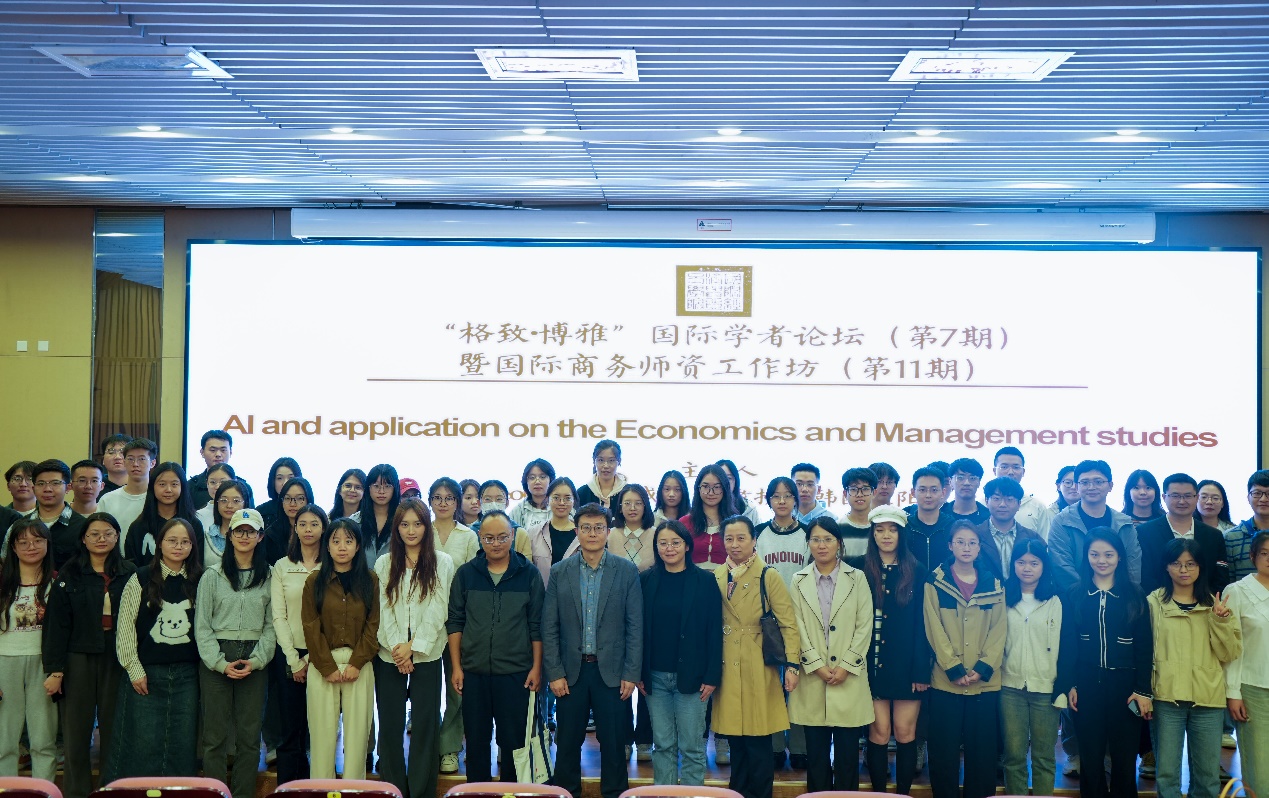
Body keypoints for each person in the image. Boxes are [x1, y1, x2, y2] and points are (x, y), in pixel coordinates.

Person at [544, 503, 643, 798]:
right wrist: (554, 672)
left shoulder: (626, 571)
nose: (592, 533)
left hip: (612, 672)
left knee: (613, 743)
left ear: (608, 532)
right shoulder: (560, 571)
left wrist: (631, 673)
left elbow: (635, 626)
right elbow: (549, 626)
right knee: (567, 743)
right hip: (570, 672)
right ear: (577, 531)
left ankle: (614, 793)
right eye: (586, 528)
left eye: (598, 527)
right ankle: (566, 793)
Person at [42, 511, 136, 798]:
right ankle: (76, 792)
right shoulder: (69, 573)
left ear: (117, 536)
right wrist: (55, 670)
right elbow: (57, 625)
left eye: (108, 533)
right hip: (77, 657)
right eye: (94, 534)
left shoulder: (130, 572)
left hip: (117, 656)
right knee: (76, 733)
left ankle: (111, 791)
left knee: (114, 730)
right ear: (83, 539)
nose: (101, 539)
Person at [447, 510, 544, 783]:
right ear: (480, 538)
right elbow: (455, 622)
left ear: (512, 535)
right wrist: (457, 667)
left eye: (502, 537)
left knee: (513, 743)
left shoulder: (529, 574)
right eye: (489, 538)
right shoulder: (466, 574)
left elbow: (536, 624)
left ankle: (511, 791)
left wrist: (537, 667)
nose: (496, 543)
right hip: (474, 672)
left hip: (516, 673)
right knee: (476, 742)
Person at [106, 517, 204, 779]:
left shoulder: (201, 579)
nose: (178, 546)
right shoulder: (140, 577)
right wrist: (134, 668)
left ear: (193, 546)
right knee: (143, 744)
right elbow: (125, 625)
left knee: (182, 745)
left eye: (185, 542)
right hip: (147, 673)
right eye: (172, 540)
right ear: (160, 543)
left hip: (188, 674)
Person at [1057, 529, 1153, 798]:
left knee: (1124, 758)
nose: (1102, 560)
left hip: (1126, 688)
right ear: (1086, 556)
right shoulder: (1075, 594)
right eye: (1095, 554)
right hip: (1087, 686)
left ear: (1119, 557)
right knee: (1090, 757)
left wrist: (1143, 690)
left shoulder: (1135, 594)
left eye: (1109, 554)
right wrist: (1070, 684)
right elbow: (1068, 646)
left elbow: (1145, 647)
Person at [712, 515, 800, 798]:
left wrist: (792, 665)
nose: (735, 544)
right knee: (736, 745)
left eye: (741, 538)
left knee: (759, 743)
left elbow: (788, 624)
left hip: (759, 663)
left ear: (753, 540)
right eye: (729, 538)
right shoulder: (716, 576)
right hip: (726, 664)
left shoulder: (767, 575)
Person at [1149, 538, 1241, 798]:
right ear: (1166, 567)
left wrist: (1220, 621)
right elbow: (1143, 651)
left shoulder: (1216, 605)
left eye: (1190, 563)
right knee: (1167, 775)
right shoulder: (1153, 602)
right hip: (1166, 697)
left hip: (1207, 698)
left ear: (1201, 567)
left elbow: (1230, 653)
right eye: (1176, 563)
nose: (1183, 570)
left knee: (1207, 777)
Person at [374, 499, 454, 798]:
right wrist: (398, 648)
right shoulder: (384, 563)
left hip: (428, 653)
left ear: (426, 526)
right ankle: (393, 789)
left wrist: (414, 647)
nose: (411, 530)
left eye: (417, 524)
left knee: (425, 725)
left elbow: (439, 608)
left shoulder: (442, 561)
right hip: (389, 655)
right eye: (404, 524)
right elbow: (382, 609)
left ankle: (421, 791)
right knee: (390, 724)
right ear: (396, 528)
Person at [788, 516, 874, 792]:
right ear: (808, 543)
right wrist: (816, 665)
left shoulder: (857, 578)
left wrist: (847, 665)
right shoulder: (798, 580)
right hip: (813, 677)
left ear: (839, 543)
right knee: (816, 758)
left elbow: (865, 625)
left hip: (849, 677)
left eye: (828, 539)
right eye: (815, 539)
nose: (822, 545)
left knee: (848, 759)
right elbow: (796, 627)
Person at [195, 508, 275, 798]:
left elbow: (272, 625)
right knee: (214, 736)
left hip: (254, 656)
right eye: (239, 531)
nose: (244, 536)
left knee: (249, 738)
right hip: (217, 655)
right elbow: (202, 626)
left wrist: (257, 659)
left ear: (260, 537)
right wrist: (218, 662)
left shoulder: (270, 575)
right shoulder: (212, 576)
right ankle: (215, 794)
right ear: (229, 536)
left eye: (250, 531)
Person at [924, 520, 1006, 798]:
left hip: (984, 683)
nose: (966, 547)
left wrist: (982, 668)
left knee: (982, 754)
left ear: (979, 547)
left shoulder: (994, 584)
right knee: (943, 752)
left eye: (972, 542)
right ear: (950, 546)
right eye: (960, 542)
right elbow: (933, 628)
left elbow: (999, 630)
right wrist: (953, 668)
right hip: (946, 681)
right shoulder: (935, 581)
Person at [638, 519, 722, 786]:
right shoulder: (646, 580)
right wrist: (638, 672)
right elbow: (637, 630)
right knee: (662, 745)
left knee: (692, 748)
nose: (669, 548)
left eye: (675, 542)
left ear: (687, 546)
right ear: (656, 547)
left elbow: (714, 630)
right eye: (663, 543)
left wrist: (712, 675)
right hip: (655, 677)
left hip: (693, 678)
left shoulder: (705, 581)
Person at [853, 505, 930, 795]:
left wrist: (921, 670)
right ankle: (879, 793)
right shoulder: (859, 568)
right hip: (871, 665)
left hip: (907, 666)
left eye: (893, 529)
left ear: (902, 534)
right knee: (879, 732)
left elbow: (923, 624)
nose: (886, 535)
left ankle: (903, 794)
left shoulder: (917, 570)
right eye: (880, 530)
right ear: (872, 534)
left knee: (905, 732)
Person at [302, 517, 379, 780]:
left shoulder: (370, 580)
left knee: (357, 739)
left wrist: (357, 663)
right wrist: (327, 667)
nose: (342, 547)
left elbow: (374, 625)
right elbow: (310, 626)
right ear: (328, 545)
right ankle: (321, 788)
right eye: (336, 541)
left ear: (358, 546)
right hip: (323, 664)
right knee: (322, 738)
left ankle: (353, 789)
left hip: (360, 664)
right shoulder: (314, 581)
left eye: (348, 541)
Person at [1000, 538, 1064, 797]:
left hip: (1046, 689)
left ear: (1043, 565)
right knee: (1013, 756)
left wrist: (1062, 686)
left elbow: (1066, 648)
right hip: (1009, 688)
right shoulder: (1003, 597)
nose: (1027, 568)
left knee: (1043, 757)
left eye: (1034, 563)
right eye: (1021, 562)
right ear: (1013, 564)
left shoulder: (1056, 600)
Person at [754, 476, 809, 769]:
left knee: (799, 684)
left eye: (788, 495)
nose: (782, 501)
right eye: (776, 496)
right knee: (772, 686)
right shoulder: (759, 534)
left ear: (796, 500)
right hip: (768, 622)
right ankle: (775, 746)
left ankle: (799, 747)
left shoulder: (809, 534)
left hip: (801, 619)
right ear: (769, 501)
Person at [270, 504, 325, 784]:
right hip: (289, 654)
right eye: (302, 524)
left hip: (324, 655)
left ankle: (316, 786)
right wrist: (294, 660)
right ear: (295, 528)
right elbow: (278, 616)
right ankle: (288, 788)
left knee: (319, 728)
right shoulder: (282, 566)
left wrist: (313, 658)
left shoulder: (331, 566)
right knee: (290, 729)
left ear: (324, 528)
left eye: (314, 524)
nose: (308, 529)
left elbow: (333, 618)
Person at [427, 476, 479, 773]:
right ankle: (427, 745)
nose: (443, 503)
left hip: (459, 620)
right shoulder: (422, 530)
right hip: (424, 621)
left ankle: (449, 748)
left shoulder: (469, 536)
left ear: (457, 502)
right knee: (427, 689)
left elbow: (472, 579)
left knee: (457, 686)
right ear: (430, 501)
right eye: (438, 497)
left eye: (449, 498)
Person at [0, 519, 56, 781]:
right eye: (23, 542)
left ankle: (45, 791)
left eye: (37, 541)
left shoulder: (58, 582)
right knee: (4, 737)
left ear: (47, 544)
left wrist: (58, 670)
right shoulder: (2, 583)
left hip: (44, 664)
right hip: (5, 662)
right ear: (13, 547)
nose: (31, 547)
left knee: (43, 737)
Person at [612, 483, 656, 761]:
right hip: (616, 614)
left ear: (646, 506)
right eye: (627, 503)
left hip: (650, 612)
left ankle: (645, 739)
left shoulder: (656, 533)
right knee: (622, 678)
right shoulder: (610, 535)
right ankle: (625, 737)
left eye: (638, 503)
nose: (632, 508)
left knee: (647, 677)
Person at [1049, 460, 1142, 588]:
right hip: (1076, 596)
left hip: (1120, 595)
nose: (1091, 487)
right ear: (1077, 486)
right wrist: (1090, 595)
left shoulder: (1124, 523)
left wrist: (1123, 593)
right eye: (1085, 482)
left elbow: (1133, 565)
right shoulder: (1062, 521)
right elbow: (1062, 567)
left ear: (1110, 486)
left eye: (1098, 482)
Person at [1225, 530, 1269, 798]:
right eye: (1265, 553)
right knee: (1259, 768)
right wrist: (1233, 692)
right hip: (1253, 688)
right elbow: (1232, 649)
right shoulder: (1237, 591)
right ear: (1253, 556)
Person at [1138, 473, 1230, 595]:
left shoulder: (1214, 536)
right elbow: (1144, 575)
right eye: (1175, 496)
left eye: (1188, 496)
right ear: (1164, 497)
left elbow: (1220, 579)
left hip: (1204, 603)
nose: (1182, 501)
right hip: (1157, 603)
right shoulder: (1145, 532)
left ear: (1197, 498)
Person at [122, 462, 202, 567]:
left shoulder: (194, 524)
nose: (168, 490)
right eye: (162, 484)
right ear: (152, 487)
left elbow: (197, 565)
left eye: (174, 484)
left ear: (182, 487)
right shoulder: (138, 526)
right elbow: (131, 566)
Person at [25, 459, 87, 568]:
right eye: (41, 484)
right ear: (33, 489)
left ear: (68, 487)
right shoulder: (21, 526)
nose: (47, 489)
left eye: (55, 483)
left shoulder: (84, 527)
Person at [979, 476, 1043, 580]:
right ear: (987, 501)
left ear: (1019, 504)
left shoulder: (1033, 538)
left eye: (1009, 499)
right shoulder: (973, 536)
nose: (1002, 504)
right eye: (996, 499)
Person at [97, 437, 157, 543]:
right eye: (130, 459)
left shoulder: (159, 498)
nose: (135, 464)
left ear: (152, 463)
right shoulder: (107, 500)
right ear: (124, 462)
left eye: (142, 459)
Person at [993, 446, 1054, 537]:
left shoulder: (1037, 507)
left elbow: (1044, 541)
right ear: (994, 471)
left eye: (1016, 467)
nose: (1010, 472)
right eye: (1004, 467)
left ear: (1023, 472)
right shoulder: (982, 504)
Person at [528, 476, 581, 581]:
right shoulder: (533, 533)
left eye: (567, 498)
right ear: (547, 499)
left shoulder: (583, 533)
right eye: (556, 498)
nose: (561, 503)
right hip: (543, 590)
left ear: (574, 501)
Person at [683, 464, 736, 570]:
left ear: (725, 489)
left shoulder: (736, 523)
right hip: (692, 579)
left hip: (728, 579)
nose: (711, 493)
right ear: (698, 488)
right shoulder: (685, 523)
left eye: (717, 487)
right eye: (705, 487)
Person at [1225, 470, 1269, 583]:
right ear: (1248, 497)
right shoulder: (1230, 537)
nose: (1263, 499)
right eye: (1257, 493)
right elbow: (1228, 582)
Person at [204, 479, 252, 580]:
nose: (229, 506)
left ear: (245, 503)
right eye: (224, 500)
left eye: (236, 501)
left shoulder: (253, 537)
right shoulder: (206, 537)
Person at [906, 466, 952, 571]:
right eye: (922, 490)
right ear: (913, 492)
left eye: (934, 490)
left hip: (944, 581)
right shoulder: (904, 527)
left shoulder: (953, 527)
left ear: (943, 493)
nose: (928, 495)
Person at [356, 464, 401, 566]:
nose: (381, 492)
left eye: (387, 486)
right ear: (368, 488)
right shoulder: (354, 521)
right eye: (376, 486)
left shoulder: (403, 521)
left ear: (395, 489)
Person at [264, 477, 315, 564]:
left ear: (308, 500)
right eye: (287, 498)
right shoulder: (271, 534)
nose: (292, 504)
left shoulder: (318, 530)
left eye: (299, 498)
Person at [576, 439, 628, 515]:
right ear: (594, 461)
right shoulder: (582, 493)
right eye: (601, 460)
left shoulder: (627, 492)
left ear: (619, 461)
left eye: (611, 460)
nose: (606, 466)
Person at [193, 463, 237, 549]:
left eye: (223, 482)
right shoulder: (199, 516)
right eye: (212, 482)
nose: (217, 487)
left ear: (234, 482)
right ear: (207, 483)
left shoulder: (242, 512)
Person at [838, 467, 877, 558]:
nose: (859, 494)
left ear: (874, 493)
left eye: (865, 489)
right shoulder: (837, 527)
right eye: (853, 489)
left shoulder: (880, 525)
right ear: (845, 494)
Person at [188, 430, 232, 508]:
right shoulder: (191, 486)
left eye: (223, 450)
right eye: (213, 450)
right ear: (202, 452)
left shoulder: (243, 487)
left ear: (230, 452)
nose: (218, 454)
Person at [509, 458, 555, 531]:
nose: (537, 481)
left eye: (542, 477)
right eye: (532, 477)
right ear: (526, 481)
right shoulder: (518, 511)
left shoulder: (560, 506)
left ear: (551, 480)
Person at [257, 457, 301, 530]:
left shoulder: (308, 510)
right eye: (280, 478)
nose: (285, 483)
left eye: (290, 478)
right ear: (273, 481)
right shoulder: (261, 512)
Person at [945, 458, 990, 526]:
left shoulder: (989, 517)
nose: (966, 483)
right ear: (950, 482)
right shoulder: (939, 515)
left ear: (979, 482)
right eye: (960, 478)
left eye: (972, 478)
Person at [717, 459, 762, 526]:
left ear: (735, 481)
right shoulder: (707, 506)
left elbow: (758, 531)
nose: (724, 482)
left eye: (729, 478)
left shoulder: (749, 508)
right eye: (720, 478)